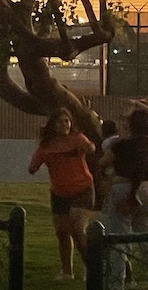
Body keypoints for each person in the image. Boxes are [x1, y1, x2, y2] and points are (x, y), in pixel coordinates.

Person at [26, 108, 97, 280]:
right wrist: (35, 165)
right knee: (62, 232)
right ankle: (67, 271)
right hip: (59, 193)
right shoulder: (46, 147)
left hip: (82, 189)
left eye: (67, 121)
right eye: (60, 122)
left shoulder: (77, 139)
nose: (64, 124)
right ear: (53, 125)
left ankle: (91, 268)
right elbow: (33, 167)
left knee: (78, 228)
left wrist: (89, 147)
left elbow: (90, 147)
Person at [102, 107, 148, 290]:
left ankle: (117, 284)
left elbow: (102, 163)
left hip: (124, 189)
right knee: (146, 238)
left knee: (119, 240)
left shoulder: (121, 146)